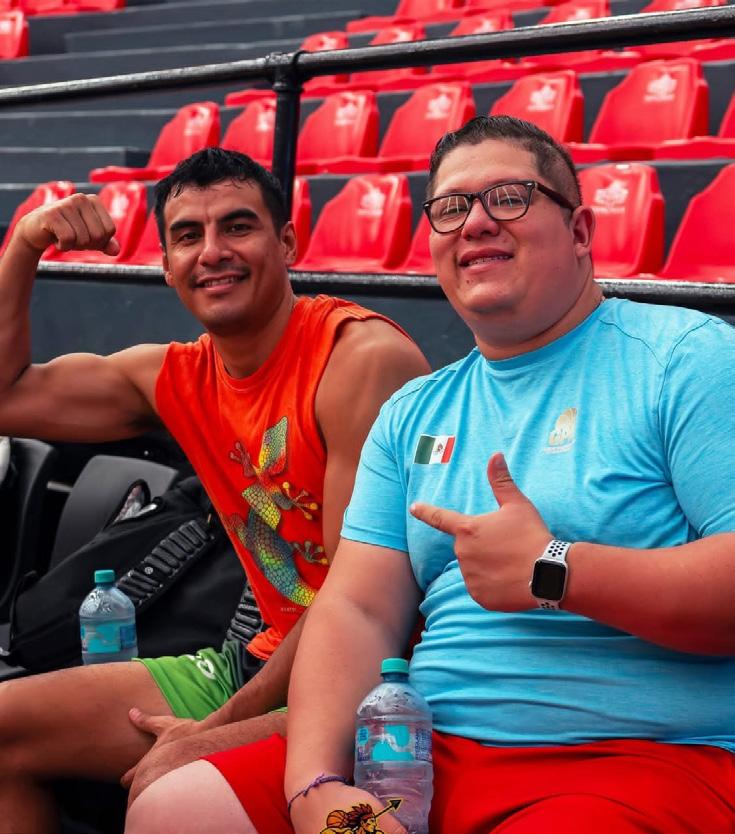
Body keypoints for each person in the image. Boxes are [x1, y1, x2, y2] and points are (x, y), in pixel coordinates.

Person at [124, 116, 735, 834]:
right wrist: (316, 783)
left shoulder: (685, 359)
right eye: (450, 208)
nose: (474, 222)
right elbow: (356, 611)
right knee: (176, 808)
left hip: (641, 758)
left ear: (579, 231)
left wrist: (555, 568)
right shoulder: (413, 411)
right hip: (420, 755)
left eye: (508, 198)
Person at [0, 147, 429, 834]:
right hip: (258, 664)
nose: (212, 252)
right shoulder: (175, 378)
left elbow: (360, 602)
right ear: (166, 265)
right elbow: (6, 396)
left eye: (237, 226)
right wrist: (25, 244)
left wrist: (216, 730)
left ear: (287, 242)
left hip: (372, 686)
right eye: (187, 236)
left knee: (170, 791)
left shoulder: (359, 361)